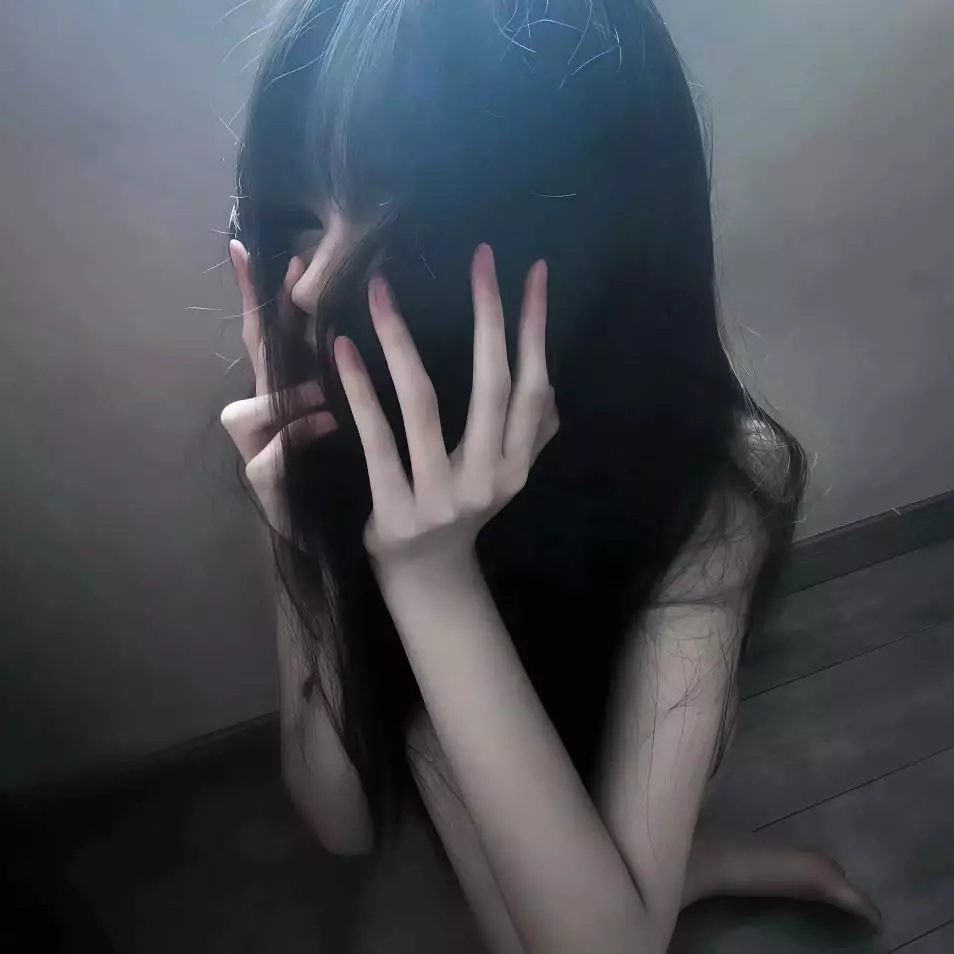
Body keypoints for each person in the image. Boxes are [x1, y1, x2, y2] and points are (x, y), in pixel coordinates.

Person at [219, 2, 881, 951]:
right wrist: (311, 553)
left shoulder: (709, 485)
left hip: (604, 768)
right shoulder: (341, 427)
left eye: (400, 227)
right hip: (485, 812)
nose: (314, 287)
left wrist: (431, 581)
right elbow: (341, 819)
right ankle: (663, 871)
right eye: (301, 218)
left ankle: (660, 865)